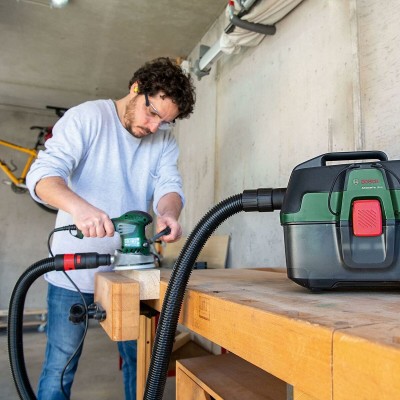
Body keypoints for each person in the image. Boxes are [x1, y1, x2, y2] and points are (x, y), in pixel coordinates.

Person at [26, 57, 196, 400]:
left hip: (131, 274)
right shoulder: (88, 118)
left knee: (141, 362)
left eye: (165, 121)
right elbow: (42, 176)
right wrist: (80, 208)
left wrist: (168, 213)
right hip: (72, 272)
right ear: (136, 88)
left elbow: (169, 187)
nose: (154, 127)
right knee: (60, 366)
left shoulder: (163, 139)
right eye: (152, 113)